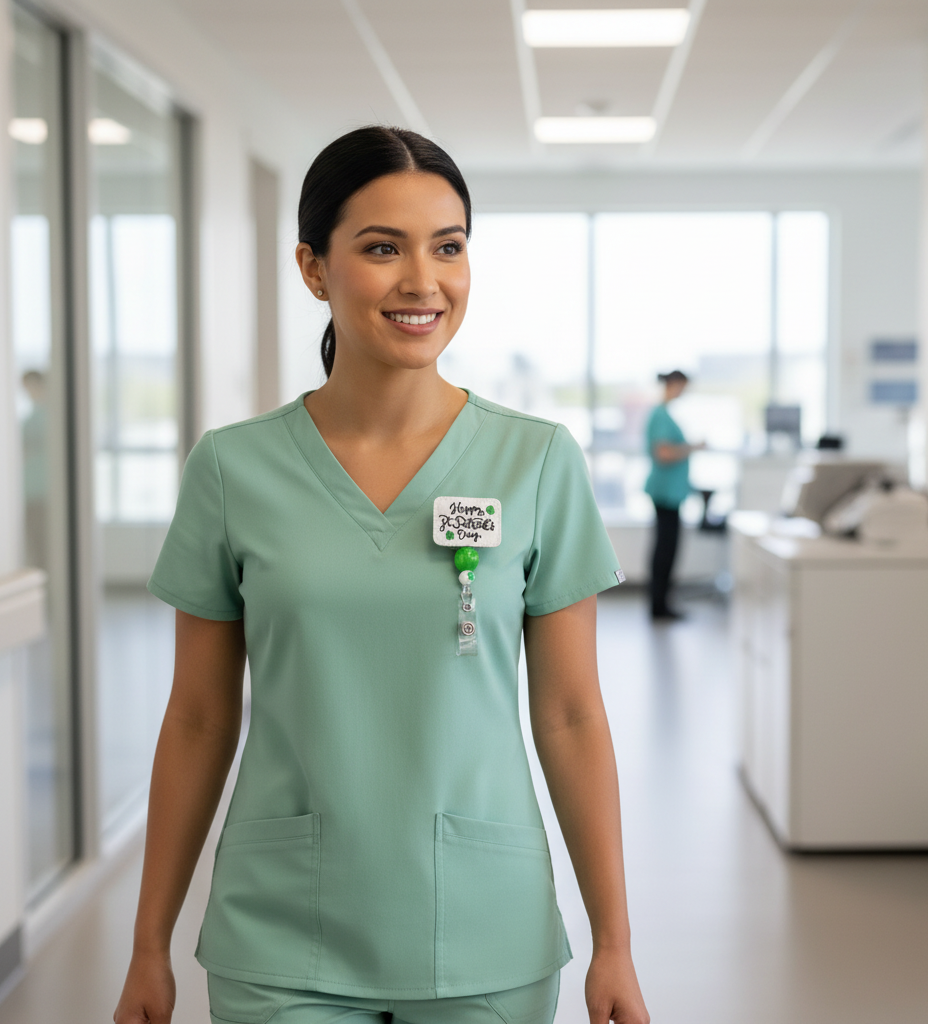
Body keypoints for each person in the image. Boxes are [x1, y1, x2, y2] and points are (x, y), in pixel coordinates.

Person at [114, 126, 649, 1024]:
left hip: (485, 929)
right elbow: (200, 717)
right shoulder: (231, 471)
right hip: (281, 934)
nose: (422, 281)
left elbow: (570, 713)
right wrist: (146, 946)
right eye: (380, 248)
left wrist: (616, 943)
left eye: (448, 247)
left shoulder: (538, 463)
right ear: (314, 268)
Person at [644, 370, 702, 621]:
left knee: (668, 548)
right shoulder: (659, 415)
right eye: (683, 387)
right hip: (664, 493)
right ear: (674, 384)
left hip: (671, 493)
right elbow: (663, 454)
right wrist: (692, 448)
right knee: (665, 549)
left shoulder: (665, 414)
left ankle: (663, 602)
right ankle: (659, 606)